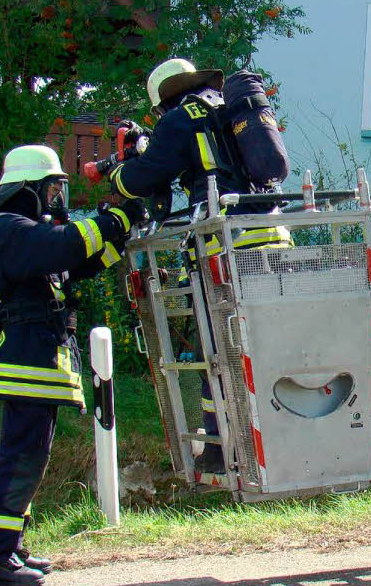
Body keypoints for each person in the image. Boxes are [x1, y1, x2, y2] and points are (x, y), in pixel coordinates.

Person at [107, 58, 291, 474]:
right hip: (274, 237)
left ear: (161, 102)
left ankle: (221, 452)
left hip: (224, 251)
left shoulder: (180, 120)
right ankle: (283, 440)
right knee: (273, 347)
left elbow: (144, 177)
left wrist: (117, 174)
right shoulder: (229, 107)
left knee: (219, 352)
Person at [0, 144, 144, 586]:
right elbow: (66, 243)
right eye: (50, 190)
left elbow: (77, 262)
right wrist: (110, 220)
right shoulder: (8, 228)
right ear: (26, 190)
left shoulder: (28, 233)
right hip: (25, 359)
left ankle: (10, 546)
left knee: (31, 456)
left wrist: (118, 236)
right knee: (20, 457)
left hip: (39, 357)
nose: (56, 200)